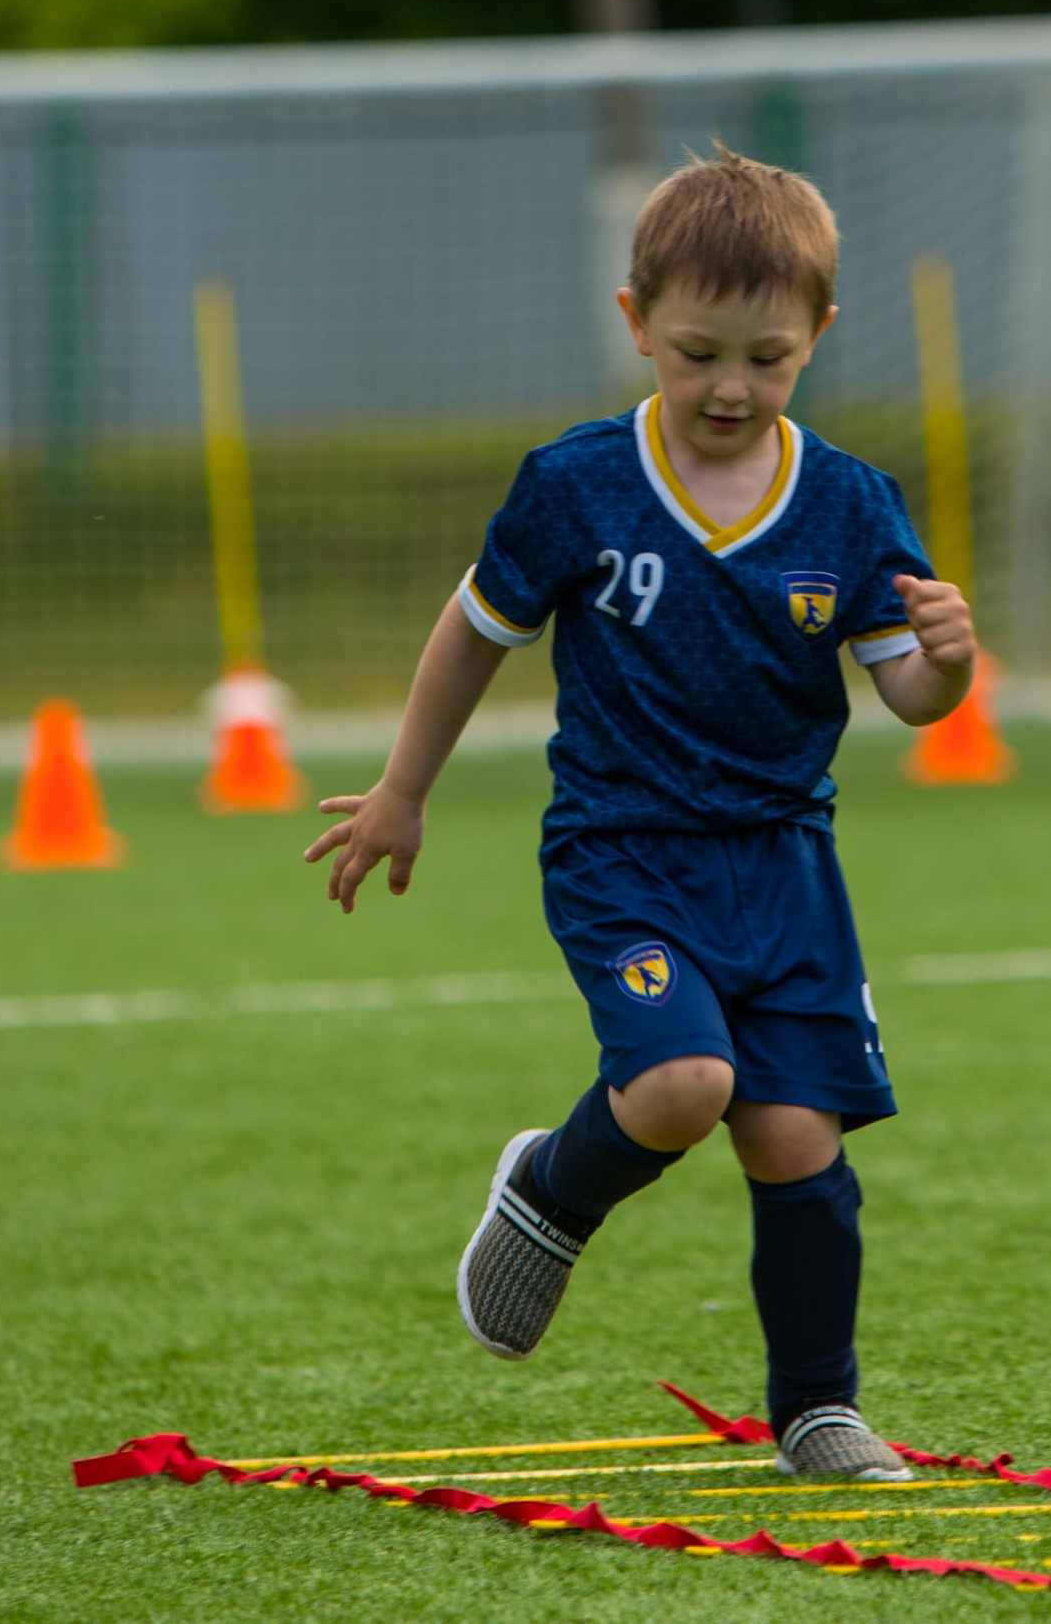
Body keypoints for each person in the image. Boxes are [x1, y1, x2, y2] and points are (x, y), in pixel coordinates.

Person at [302, 148, 974, 1485]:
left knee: (795, 1133)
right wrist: (404, 788)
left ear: (818, 339)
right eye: (697, 351)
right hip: (622, 848)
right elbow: (474, 629)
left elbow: (908, 695)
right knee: (681, 1084)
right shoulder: (581, 484)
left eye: (767, 359)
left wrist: (948, 659)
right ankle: (552, 1191)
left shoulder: (849, 503)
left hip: (784, 863)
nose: (730, 386)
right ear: (635, 323)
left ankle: (817, 1411)